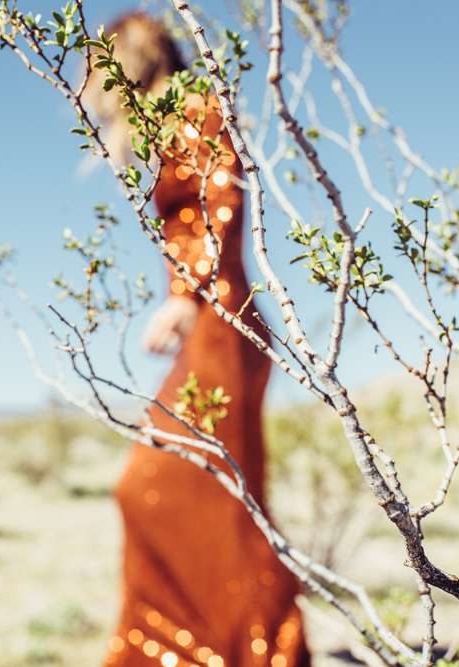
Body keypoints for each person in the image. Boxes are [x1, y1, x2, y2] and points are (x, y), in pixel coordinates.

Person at [85, 12, 311, 667]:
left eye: (99, 71)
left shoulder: (196, 105)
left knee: (162, 487)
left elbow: (222, 198)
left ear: (128, 61)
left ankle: (248, 645)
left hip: (222, 320)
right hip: (210, 322)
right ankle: (210, 645)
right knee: (207, 494)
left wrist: (186, 295)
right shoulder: (166, 119)